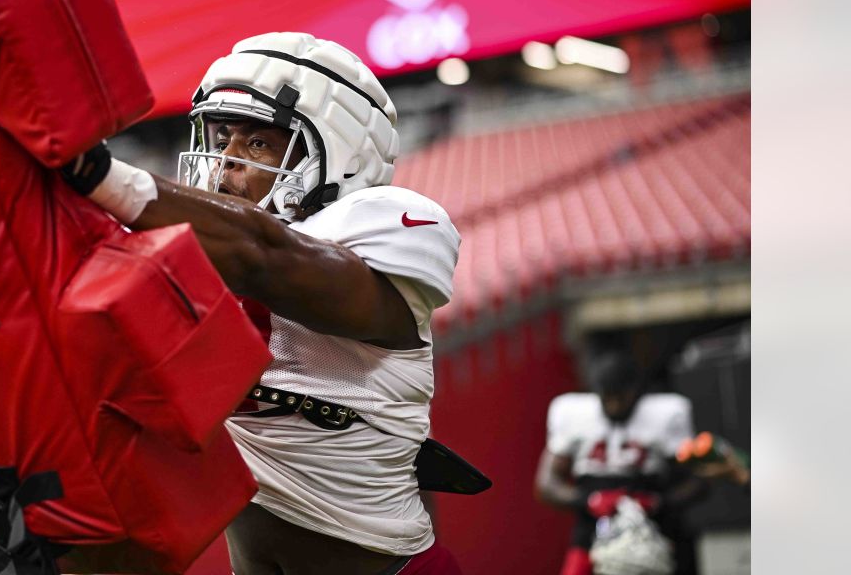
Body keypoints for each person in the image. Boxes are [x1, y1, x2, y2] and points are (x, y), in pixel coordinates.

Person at [61, 32, 463, 575]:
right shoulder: (208, 252)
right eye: (223, 136)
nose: (225, 161)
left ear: (337, 155)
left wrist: (99, 175)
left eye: (257, 143)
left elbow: (263, 256)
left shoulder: (375, 234)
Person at [534, 351, 708, 575]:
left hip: (652, 532)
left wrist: (659, 501)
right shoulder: (575, 416)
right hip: (592, 533)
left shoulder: (664, 416)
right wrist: (587, 500)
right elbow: (546, 485)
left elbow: (700, 480)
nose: (614, 405)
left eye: (621, 397)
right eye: (608, 398)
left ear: (636, 390)